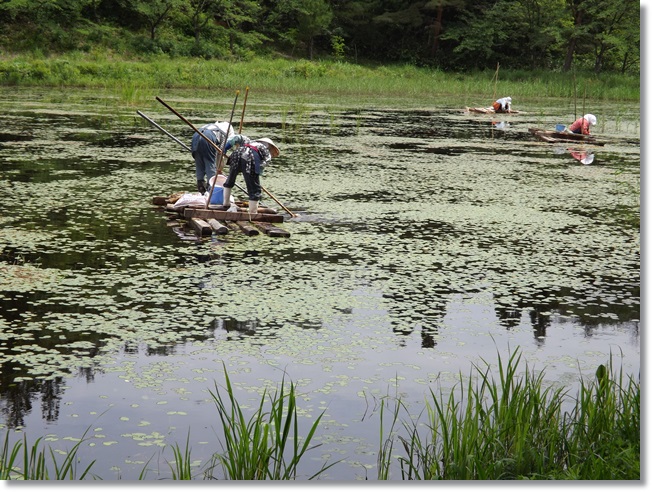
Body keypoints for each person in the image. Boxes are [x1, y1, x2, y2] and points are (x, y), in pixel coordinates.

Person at [222, 135, 280, 214]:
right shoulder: (265, 150)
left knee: (230, 179)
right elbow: (264, 162)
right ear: (269, 146)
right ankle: (253, 212)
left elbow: (237, 138)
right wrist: (257, 175)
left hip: (236, 153)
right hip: (250, 157)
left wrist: (225, 148)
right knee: (254, 188)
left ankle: (226, 203)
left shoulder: (250, 142)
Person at [191, 121, 234, 194]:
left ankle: (201, 188)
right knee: (210, 165)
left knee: (199, 164)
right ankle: (210, 191)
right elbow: (221, 153)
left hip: (196, 136)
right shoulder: (224, 134)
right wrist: (219, 169)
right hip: (208, 138)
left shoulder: (212, 126)